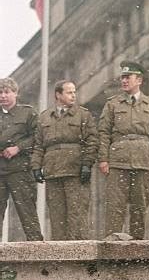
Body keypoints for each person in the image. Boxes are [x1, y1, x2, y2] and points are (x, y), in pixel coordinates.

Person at [98, 61, 149, 240]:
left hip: (142, 160)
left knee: (140, 205)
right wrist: (103, 159)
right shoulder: (112, 104)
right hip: (118, 160)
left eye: (128, 77)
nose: (124, 81)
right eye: (122, 77)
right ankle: (112, 244)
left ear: (139, 80)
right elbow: (103, 133)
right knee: (115, 205)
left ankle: (137, 246)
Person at [31, 80, 98, 240]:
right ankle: (60, 256)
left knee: (77, 213)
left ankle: (79, 255)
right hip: (53, 172)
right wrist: (35, 166)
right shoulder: (45, 117)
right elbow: (39, 145)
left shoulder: (83, 115)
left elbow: (92, 141)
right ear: (58, 95)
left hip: (75, 170)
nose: (73, 95)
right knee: (56, 215)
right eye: (69, 92)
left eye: (74, 92)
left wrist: (87, 164)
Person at [0, 78, 43, 241]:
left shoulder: (27, 113)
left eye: (7, 92)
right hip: (0, 171)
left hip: (20, 170)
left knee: (27, 211)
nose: (3, 96)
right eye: (0, 92)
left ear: (15, 93)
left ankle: (38, 252)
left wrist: (18, 147)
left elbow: (38, 136)